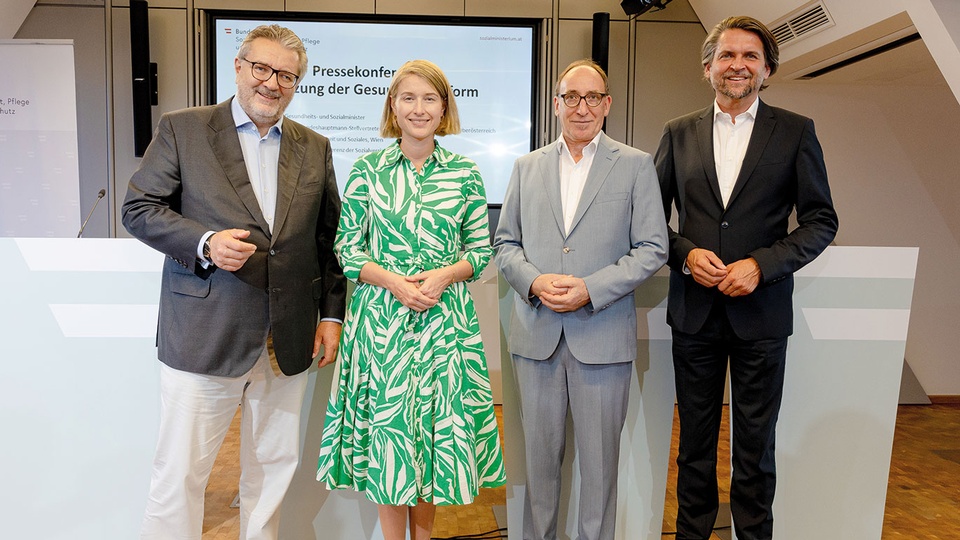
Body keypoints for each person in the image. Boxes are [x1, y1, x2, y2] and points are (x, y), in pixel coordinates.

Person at [121, 24, 346, 540]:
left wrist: (332, 315)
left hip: (286, 339)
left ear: (297, 84)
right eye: (262, 69)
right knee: (181, 472)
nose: (272, 83)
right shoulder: (185, 128)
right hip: (205, 333)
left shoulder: (315, 146)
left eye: (287, 75)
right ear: (239, 68)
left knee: (272, 469)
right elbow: (138, 208)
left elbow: (327, 239)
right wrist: (204, 243)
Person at [655, 16, 839, 540]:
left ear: (767, 69)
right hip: (694, 314)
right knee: (693, 448)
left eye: (750, 57)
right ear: (708, 66)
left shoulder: (797, 131)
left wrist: (763, 264)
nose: (738, 65)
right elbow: (647, 222)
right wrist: (686, 255)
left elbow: (822, 220)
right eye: (728, 55)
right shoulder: (677, 132)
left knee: (755, 451)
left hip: (762, 316)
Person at [316, 59, 506, 540]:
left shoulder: (465, 172)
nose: (418, 108)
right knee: (391, 441)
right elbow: (346, 249)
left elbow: (480, 252)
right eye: (408, 98)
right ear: (392, 107)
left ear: (444, 108)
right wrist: (395, 282)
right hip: (382, 327)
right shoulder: (368, 170)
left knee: (432, 440)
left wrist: (444, 276)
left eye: (429, 98)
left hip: (446, 326)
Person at [494, 59, 668, 540]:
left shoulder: (635, 164)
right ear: (556, 104)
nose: (582, 107)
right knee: (539, 470)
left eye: (593, 97)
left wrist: (591, 288)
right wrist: (532, 282)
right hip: (537, 338)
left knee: (600, 471)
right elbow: (505, 243)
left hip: (603, 338)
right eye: (571, 96)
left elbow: (653, 247)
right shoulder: (526, 167)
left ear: (608, 105)